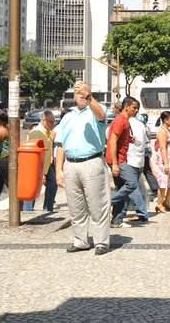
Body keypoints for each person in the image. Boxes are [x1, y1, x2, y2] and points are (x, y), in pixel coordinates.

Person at [55, 81, 111, 256]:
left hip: (91, 161)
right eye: (77, 92)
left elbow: (101, 115)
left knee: (98, 204)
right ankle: (80, 240)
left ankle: (101, 241)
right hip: (71, 163)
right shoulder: (68, 116)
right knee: (75, 205)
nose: (80, 95)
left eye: (83, 92)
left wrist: (89, 96)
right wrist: (58, 170)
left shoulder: (95, 110)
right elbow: (60, 144)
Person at [106, 97, 148, 228]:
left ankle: (116, 221)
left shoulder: (125, 121)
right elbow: (112, 140)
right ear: (126, 107)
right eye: (134, 108)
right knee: (132, 183)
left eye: (137, 108)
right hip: (118, 160)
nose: (136, 111)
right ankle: (105, 203)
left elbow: (120, 139)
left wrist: (130, 139)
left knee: (120, 188)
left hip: (121, 159)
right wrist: (115, 163)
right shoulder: (120, 121)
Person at [22, 109, 58, 212]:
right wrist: (41, 173)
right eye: (50, 121)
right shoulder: (37, 132)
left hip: (46, 165)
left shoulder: (47, 132)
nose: (53, 124)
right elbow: (35, 153)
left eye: (53, 121)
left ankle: (47, 209)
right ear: (43, 120)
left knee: (52, 184)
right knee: (32, 189)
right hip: (36, 166)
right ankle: (27, 211)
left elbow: (47, 147)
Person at [150, 110, 170, 212]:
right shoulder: (162, 131)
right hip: (164, 161)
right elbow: (163, 147)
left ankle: (167, 201)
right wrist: (166, 163)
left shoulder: (167, 130)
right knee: (163, 182)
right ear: (165, 120)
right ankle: (159, 203)